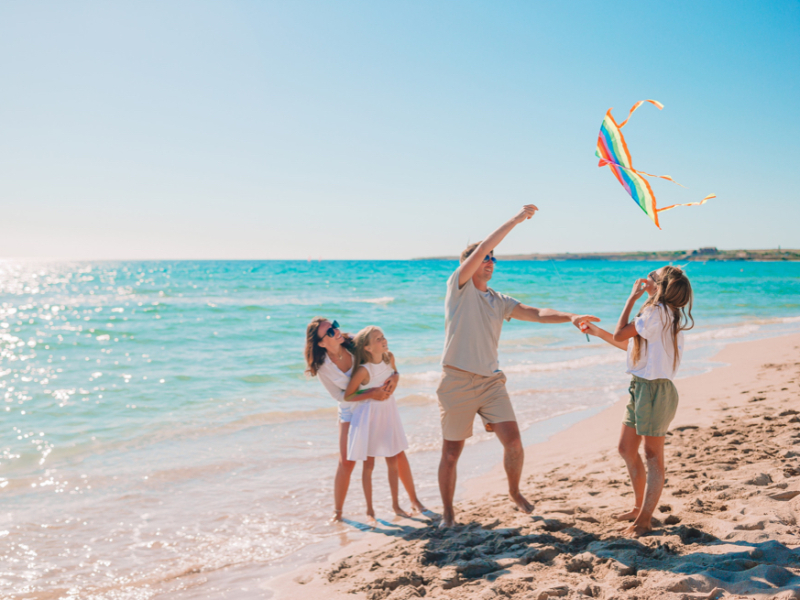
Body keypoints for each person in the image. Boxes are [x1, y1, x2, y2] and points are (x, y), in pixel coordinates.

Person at [437, 205, 599, 527]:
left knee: (513, 443)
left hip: (491, 383)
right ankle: (448, 514)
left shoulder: (499, 300)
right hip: (456, 381)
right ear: (467, 265)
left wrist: (570, 317)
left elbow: (536, 312)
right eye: (485, 257)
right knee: (452, 454)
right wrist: (516, 220)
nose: (490, 261)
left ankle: (513, 492)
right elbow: (482, 247)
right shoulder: (458, 288)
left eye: (493, 258)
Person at [580, 265, 694, 537]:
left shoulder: (656, 312)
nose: (644, 280)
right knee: (625, 448)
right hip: (641, 388)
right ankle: (638, 507)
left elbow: (622, 333)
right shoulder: (661, 314)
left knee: (653, 456)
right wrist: (597, 332)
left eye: (650, 278)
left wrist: (631, 298)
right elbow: (628, 345)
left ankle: (644, 520)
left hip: (655, 391)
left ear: (659, 287)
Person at [304, 317, 424, 522]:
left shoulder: (354, 345)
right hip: (351, 409)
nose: (336, 331)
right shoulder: (323, 367)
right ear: (322, 343)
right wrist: (370, 394)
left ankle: (414, 501)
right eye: (330, 332)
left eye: (334, 326)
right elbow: (340, 396)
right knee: (347, 462)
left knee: (397, 452)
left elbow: (382, 359)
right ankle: (338, 512)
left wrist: (396, 376)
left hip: (376, 405)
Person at [345, 326, 424, 522]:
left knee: (393, 461)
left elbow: (395, 372)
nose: (383, 340)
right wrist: (372, 393)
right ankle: (370, 511)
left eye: (383, 337)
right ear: (368, 348)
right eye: (378, 339)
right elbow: (348, 395)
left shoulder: (389, 357)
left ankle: (396, 505)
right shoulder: (364, 371)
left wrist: (396, 378)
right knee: (369, 465)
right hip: (369, 416)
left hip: (388, 413)